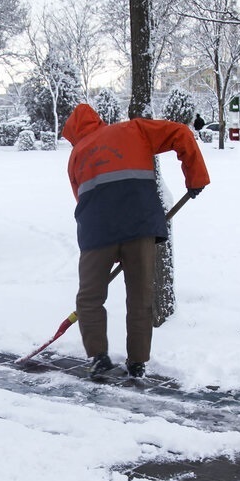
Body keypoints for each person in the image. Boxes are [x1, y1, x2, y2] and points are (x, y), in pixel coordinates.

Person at [60, 103, 210, 380]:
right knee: (140, 298)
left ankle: (98, 358)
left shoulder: (75, 156)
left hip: (97, 234)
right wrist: (195, 177)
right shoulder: (134, 129)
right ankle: (138, 362)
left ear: (72, 133)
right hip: (139, 226)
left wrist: (109, 244)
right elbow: (180, 132)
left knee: (89, 298)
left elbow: (82, 199)